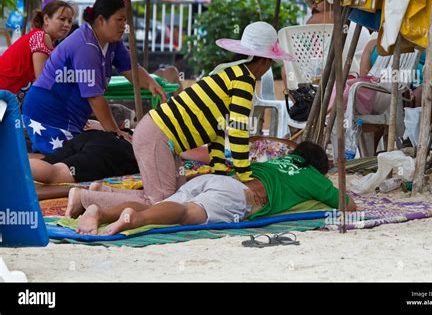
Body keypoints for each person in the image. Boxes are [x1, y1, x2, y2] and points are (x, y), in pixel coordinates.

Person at [65, 21, 293, 214]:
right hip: (158, 135)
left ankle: (100, 193)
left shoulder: (230, 74)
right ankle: (84, 199)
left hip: (157, 133)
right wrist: (245, 175)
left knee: (174, 195)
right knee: (161, 203)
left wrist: (220, 170)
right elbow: (237, 130)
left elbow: (217, 130)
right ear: (264, 61)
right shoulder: (243, 80)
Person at [70, 141, 357, 235]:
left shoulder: (275, 161)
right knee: (182, 214)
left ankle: (100, 211)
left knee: (160, 206)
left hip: (215, 180)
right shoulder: (311, 175)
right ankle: (134, 218)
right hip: (237, 196)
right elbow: (346, 204)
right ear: (316, 165)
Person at [22, 0, 167, 155]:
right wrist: (115, 134)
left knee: (67, 161)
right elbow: (95, 97)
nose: (123, 25)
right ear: (100, 20)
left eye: (125, 20)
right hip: (46, 113)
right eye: (119, 20)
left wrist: (151, 83)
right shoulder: (85, 46)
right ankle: (12, 171)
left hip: (70, 116)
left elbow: (131, 69)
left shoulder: (113, 42)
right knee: (61, 161)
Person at [0, 0, 75, 105]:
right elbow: (43, 81)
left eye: (70, 21)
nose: (67, 25)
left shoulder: (39, 36)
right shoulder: (41, 37)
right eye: (62, 19)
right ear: (46, 19)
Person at [29, 128, 138, 184]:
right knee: (57, 173)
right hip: (111, 149)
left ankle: (14, 163)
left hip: (94, 135)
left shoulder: (136, 131)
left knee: (46, 163)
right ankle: (12, 168)